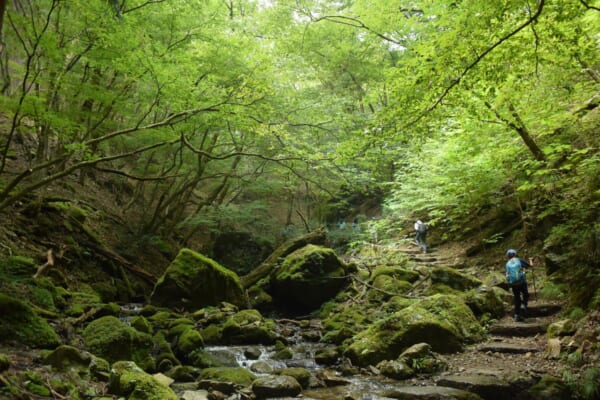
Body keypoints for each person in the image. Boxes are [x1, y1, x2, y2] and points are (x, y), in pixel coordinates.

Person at [505, 249, 533, 322]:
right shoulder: (519, 260)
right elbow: (530, 266)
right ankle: (524, 304)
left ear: (508, 256)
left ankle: (517, 315)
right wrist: (530, 260)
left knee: (517, 298)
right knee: (525, 294)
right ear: (515, 254)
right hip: (522, 282)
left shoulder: (507, 263)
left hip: (513, 283)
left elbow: (507, 274)